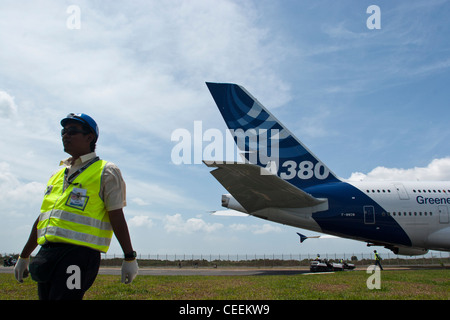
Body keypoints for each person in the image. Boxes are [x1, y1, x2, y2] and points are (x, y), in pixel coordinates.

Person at [14, 113, 138, 300]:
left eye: (72, 131)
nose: (65, 135)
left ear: (90, 137)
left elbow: (116, 215)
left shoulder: (107, 171)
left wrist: (129, 256)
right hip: (47, 253)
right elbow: (43, 218)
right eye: (64, 131)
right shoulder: (57, 174)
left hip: (78, 256)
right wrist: (24, 256)